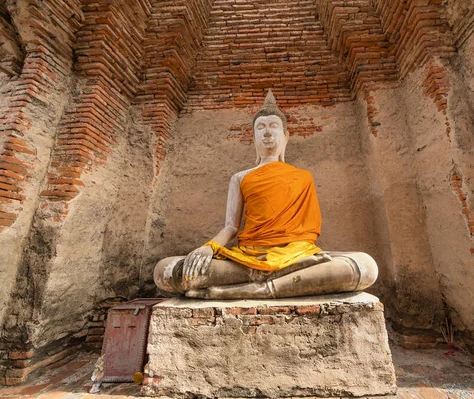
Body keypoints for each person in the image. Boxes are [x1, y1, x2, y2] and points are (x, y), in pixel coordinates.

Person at [154, 90, 378, 299]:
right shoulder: (240, 177)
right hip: (249, 257)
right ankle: (276, 281)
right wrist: (208, 247)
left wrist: (291, 255)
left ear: (286, 136)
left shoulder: (303, 177)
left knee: (366, 266)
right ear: (253, 138)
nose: (268, 132)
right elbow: (231, 227)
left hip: (297, 255)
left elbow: (308, 234)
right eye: (260, 127)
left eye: (273, 126)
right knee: (165, 270)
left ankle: (259, 289)